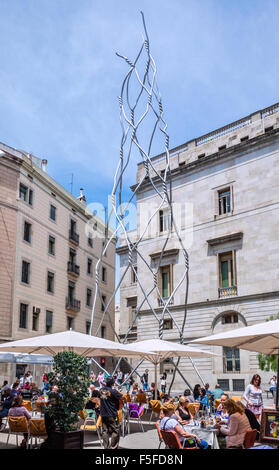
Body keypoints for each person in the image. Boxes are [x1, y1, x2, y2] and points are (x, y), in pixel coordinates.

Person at [99, 377, 122, 449]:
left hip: (103, 414)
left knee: (105, 431)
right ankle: (112, 447)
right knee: (116, 430)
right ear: (113, 383)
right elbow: (122, 397)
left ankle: (106, 447)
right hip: (112, 414)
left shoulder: (101, 390)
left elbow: (105, 399)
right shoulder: (113, 391)